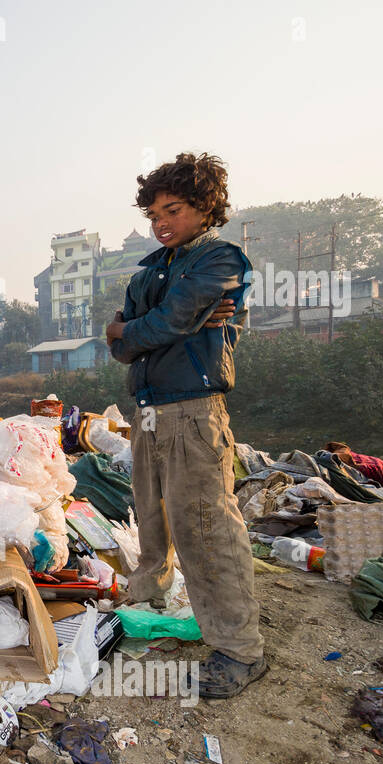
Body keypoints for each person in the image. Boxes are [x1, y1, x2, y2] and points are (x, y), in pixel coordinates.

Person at [104, 152, 265, 698]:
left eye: (173, 210)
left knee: (205, 527)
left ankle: (239, 651)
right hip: (147, 409)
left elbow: (164, 322)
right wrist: (129, 330)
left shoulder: (221, 259)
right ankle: (149, 601)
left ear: (205, 208)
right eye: (154, 214)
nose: (161, 223)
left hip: (194, 409)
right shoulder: (152, 268)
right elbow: (126, 347)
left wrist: (133, 328)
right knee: (152, 521)